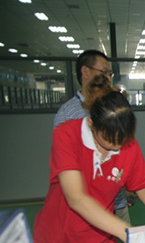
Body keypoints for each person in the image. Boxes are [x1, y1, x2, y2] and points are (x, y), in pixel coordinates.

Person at [34, 87, 145, 243]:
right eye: (110, 139)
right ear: (92, 125)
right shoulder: (67, 135)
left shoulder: (128, 145)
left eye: (122, 137)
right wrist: (127, 233)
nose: (118, 145)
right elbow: (76, 198)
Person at [52, 50, 134, 224]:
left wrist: (127, 184)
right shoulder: (68, 116)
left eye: (110, 74)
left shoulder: (115, 107)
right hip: (87, 207)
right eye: (103, 72)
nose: (108, 78)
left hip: (117, 201)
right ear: (85, 71)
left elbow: (124, 157)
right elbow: (70, 173)